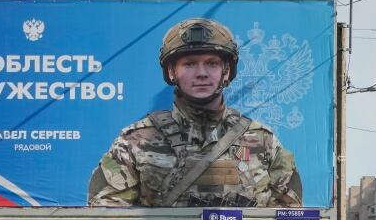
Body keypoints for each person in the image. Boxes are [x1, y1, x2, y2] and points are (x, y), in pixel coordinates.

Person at [88, 17, 302, 208]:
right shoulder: (135, 141)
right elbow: (107, 218)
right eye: (189, 64)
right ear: (172, 71)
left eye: (211, 64)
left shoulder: (264, 141)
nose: (201, 73)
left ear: (226, 71)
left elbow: (287, 217)